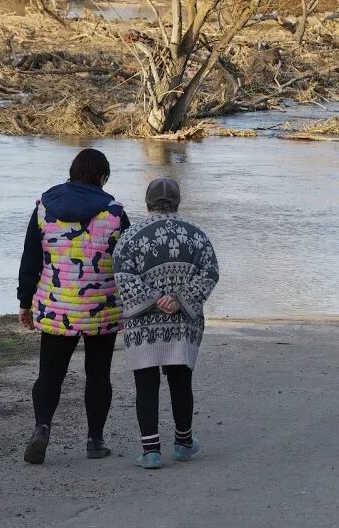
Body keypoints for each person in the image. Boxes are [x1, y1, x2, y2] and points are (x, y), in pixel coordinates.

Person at [17, 148, 129, 464]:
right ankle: (95, 440)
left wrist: (25, 302)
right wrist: (132, 306)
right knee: (98, 375)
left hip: (56, 308)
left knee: (50, 374)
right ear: (103, 178)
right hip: (101, 307)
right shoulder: (116, 214)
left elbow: (30, 260)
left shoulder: (43, 208)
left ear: (72, 173)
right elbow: (129, 264)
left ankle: (42, 428)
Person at [113, 177, 219, 469]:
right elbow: (210, 273)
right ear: (178, 202)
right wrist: (180, 298)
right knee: (180, 382)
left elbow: (122, 276)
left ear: (146, 204)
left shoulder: (131, 237)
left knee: (146, 384)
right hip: (183, 323)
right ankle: (184, 443)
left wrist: (154, 299)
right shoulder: (197, 235)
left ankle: (150, 452)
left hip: (143, 325)